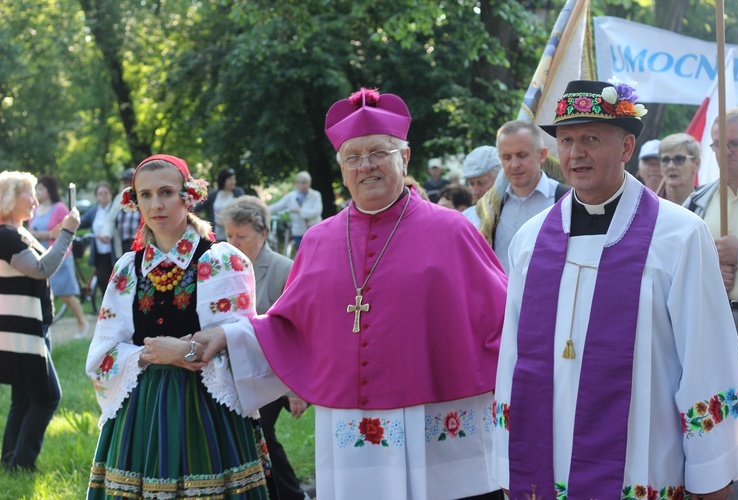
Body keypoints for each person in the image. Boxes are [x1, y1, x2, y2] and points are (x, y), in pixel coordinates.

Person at [195, 88, 508, 500]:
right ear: (341, 168)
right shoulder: (319, 240)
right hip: (350, 424)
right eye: (353, 157)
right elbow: (288, 325)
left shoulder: (453, 231)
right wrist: (229, 336)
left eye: (378, 152)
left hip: (435, 419)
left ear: (405, 157)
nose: (366, 166)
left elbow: (504, 318)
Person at [493, 79, 738, 500]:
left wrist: (711, 474)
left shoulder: (679, 234)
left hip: (643, 458)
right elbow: (511, 360)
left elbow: (705, 356)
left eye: (591, 139)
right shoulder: (530, 239)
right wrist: (507, 459)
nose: (576, 153)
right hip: (545, 457)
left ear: (627, 148)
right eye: (567, 140)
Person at [85, 155, 270, 499]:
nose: (156, 204)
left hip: (208, 408)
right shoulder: (128, 269)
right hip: (142, 406)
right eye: (145, 195)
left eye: (167, 192)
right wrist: (153, 354)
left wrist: (188, 352)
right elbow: (105, 348)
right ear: (134, 201)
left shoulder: (220, 260)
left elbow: (247, 339)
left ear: (188, 196)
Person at [223, 195, 310, 500]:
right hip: (238, 368)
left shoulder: (283, 270)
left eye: (241, 236)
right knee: (252, 436)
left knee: (260, 433)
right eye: (228, 235)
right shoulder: (223, 267)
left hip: (276, 372)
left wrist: (292, 388)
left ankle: (292, 495)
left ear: (262, 233)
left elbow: (297, 331)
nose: (232, 242)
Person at [684, 107, 738, 499]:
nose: (726, 153)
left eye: (737, 144)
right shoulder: (699, 200)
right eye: (718, 145)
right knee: (725, 414)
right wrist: (712, 271)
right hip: (715, 321)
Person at [0, 171, 80, 472]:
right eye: (29, 195)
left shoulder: (15, 232)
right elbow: (40, 268)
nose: (36, 201)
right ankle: (22, 465)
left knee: (23, 398)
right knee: (47, 397)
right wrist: (68, 233)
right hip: (22, 330)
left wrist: (58, 234)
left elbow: (38, 260)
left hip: (26, 328)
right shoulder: (5, 235)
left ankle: (11, 462)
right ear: (9, 198)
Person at [470, 120, 568, 271]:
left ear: (542, 155)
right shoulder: (488, 208)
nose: (514, 164)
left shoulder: (565, 200)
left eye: (521, 155)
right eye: (507, 157)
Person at [28, 174, 88, 337]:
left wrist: (43, 235)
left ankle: (83, 323)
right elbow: (33, 232)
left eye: (41, 188)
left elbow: (64, 231)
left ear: (49, 189)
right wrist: (46, 234)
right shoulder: (35, 209)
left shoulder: (60, 208)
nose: (38, 191)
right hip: (41, 256)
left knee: (66, 294)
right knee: (47, 294)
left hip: (60, 256)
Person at [268, 171, 322, 250]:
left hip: (314, 231)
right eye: (302, 183)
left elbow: (317, 212)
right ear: (297, 183)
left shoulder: (315, 195)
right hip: (298, 232)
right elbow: (277, 207)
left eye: (306, 183)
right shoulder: (291, 196)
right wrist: (262, 210)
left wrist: (299, 211)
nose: (304, 185)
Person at [80, 182, 115, 296]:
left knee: (116, 283)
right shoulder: (94, 211)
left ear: (111, 194)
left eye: (106, 193)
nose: (103, 195)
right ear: (96, 196)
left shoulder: (115, 209)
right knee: (102, 281)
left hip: (114, 253)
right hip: (100, 254)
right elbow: (82, 222)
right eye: (100, 193)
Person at [194, 167, 245, 242]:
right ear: (223, 180)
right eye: (230, 179)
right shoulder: (213, 194)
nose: (233, 182)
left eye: (234, 179)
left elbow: (244, 211)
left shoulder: (238, 193)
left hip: (234, 235)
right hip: (216, 235)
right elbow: (196, 208)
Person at [102, 168, 141, 259]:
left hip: (139, 242)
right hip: (122, 243)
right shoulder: (118, 199)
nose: (127, 185)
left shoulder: (142, 196)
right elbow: (110, 219)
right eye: (125, 182)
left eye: (129, 182)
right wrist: (106, 233)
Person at [658, 133, 700, 205]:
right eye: (665, 160)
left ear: (696, 164)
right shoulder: (649, 208)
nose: (671, 166)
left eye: (679, 159)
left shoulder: (708, 208)